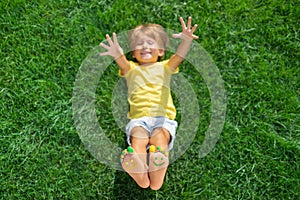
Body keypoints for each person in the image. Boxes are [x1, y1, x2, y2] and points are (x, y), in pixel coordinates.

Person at [100, 17, 198, 190]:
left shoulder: (166, 67)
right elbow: (121, 62)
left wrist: (187, 40)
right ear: (133, 52)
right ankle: (139, 172)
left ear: (160, 50)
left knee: (159, 139)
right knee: (138, 138)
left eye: (150, 42)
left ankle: (156, 178)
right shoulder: (131, 69)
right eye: (139, 44)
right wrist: (117, 53)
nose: (144, 46)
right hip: (139, 118)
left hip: (162, 118)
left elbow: (179, 56)